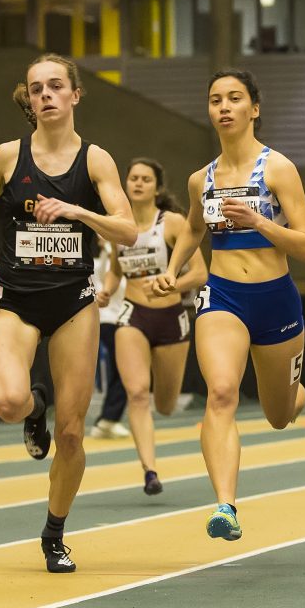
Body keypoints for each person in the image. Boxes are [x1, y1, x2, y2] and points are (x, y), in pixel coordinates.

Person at [0, 53, 136, 573]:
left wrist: (77, 211)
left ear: (74, 95)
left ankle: (54, 533)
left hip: (74, 304)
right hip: (17, 301)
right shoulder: (7, 157)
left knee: (71, 435)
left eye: (55, 86)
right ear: (31, 99)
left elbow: (127, 230)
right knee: (7, 401)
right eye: (37, 88)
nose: (45, 94)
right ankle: (34, 406)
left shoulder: (96, 161)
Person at [150, 69, 305, 542]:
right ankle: (226, 505)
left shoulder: (278, 169)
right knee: (221, 393)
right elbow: (193, 229)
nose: (223, 107)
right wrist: (173, 267)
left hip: (275, 298)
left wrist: (261, 223)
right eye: (215, 100)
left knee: (278, 414)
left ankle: (296, 393)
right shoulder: (200, 180)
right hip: (223, 297)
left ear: (253, 109)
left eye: (234, 98)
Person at [96, 158, 208, 496]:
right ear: (126, 184)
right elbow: (117, 268)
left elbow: (200, 274)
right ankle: (150, 471)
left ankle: (160, 417)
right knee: (137, 393)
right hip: (132, 315)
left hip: (171, 318)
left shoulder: (172, 223)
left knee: (165, 405)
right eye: (133, 178)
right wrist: (106, 287)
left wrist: (172, 283)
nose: (138, 184)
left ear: (157, 188)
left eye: (146, 179)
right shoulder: (119, 226)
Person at [90, 237, 130, 439]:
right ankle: (108, 419)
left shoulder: (125, 258)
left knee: (121, 371)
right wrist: (109, 243)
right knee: (125, 370)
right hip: (109, 321)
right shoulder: (103, 260)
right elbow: (109, 270)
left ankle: (106, 420)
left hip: (122, 321)